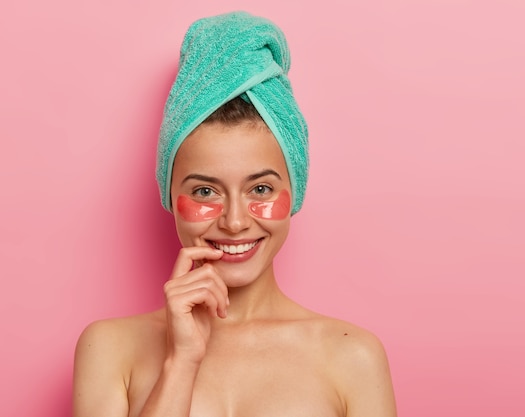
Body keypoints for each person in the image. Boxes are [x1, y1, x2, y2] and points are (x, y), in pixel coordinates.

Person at [73, 11, 396, 417]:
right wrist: (181, 363)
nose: (235, 221)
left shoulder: (354, 358)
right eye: (205, 191)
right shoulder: (108, 350)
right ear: (169, 196)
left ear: (294, 191)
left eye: (260, 189)